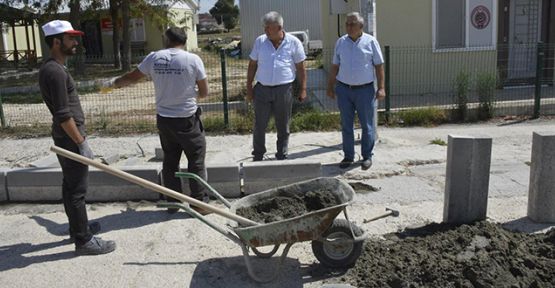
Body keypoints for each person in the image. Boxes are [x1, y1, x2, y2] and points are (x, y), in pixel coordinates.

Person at [103, 27, 210, 215]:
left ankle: (172, 203)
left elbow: (132, 78)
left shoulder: (154, 58)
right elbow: (204, 92)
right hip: (187, 120)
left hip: (165, 120)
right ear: (184, 41)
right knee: (196, 160)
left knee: (170, 161)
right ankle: (199, 204)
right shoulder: (193, 59)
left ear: (167, 40)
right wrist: (190, 94)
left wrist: (113, 83)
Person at [39, 20, 116, 255]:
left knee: (70, 187)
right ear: (56, 42)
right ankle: (83, 240)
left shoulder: (55, 68)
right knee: (77, 191)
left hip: (68, 137)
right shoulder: (53, 71)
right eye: (70, 38)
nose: (75, 42)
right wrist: (81, 143)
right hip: (70, 138)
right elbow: (63, 114)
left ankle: (77, 228)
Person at [326, 12, 385, 170]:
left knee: (367, 125)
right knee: (346, 125)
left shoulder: (370, 42)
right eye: (347, 24)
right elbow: (335, 66)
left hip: (365, 91)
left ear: (361, 26)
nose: (349, 27)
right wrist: (330, 86)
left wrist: (381, 88)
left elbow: (379, 66)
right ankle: (348, 156)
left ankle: (367, 156)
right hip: (344, 90)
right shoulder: (341, 42)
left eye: (352, 24)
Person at [246, 11, 307, 161]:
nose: (265, 30)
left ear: (279, 27)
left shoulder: (293, 42)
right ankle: (258, 154)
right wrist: (249, 87)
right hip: (262, 89)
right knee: (260, 124)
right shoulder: (260, 41)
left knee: (283, 124)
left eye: (268, 28)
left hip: (284, 89)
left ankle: (282, 153)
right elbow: (252, 65)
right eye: (264, 27)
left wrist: (303, 89)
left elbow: (301, 67)